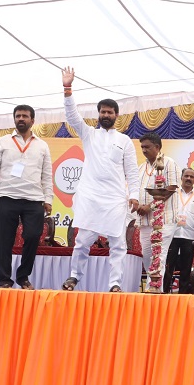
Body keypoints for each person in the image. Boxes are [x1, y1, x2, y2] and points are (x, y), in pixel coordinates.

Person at [60, 67, 139, 293]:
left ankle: (115, 283)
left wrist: (133, 195)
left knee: (118, 244)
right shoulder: (89, 134)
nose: (106, 115)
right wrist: (68, 89)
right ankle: (74, 277)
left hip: (114, 199)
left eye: (110, 112)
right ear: (98, 114)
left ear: (116, 115)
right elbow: (72, 117)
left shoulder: (124, 141)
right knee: (83, 241)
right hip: (90, 196)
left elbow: (132, 171)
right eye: (102, 112)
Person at [0, 105, 54, 290]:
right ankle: (4, 279)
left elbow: (46, 175)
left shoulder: (42, 145)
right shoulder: (2, 142)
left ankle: (23, 276)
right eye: (18, 116)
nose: (21, 119)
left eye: (25, 116)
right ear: (14, 119)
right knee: (4, 240)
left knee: (32, 236)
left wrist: (48, 199)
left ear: (32, 120)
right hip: (7, 196)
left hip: (34, 199)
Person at [136, 133, 180, 291]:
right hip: (145, 221)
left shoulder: (169, 163)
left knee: (158, 255)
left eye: (147, 147)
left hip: (164, 220)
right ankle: (155, 287)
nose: (144, 150)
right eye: (142, 147)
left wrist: (150, 206)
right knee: (147, 257)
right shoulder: (142, 167)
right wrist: (136, 204)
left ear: (157, 147)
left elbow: (172, 188)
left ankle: (153, 292)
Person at [165, 168, 194, 293]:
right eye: (186, 176)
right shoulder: (173, 194)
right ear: (181, 177)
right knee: (168, 265)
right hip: (172, 234)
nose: (188, 178)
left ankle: (182, 295)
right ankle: (164, 291)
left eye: (191, 177)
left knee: (186, 267)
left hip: (189, 236)